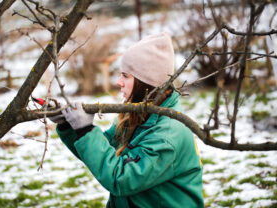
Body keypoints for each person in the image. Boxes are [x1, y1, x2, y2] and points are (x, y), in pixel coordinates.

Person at [50, 32, 204, 208]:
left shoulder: (167, 136)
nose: (118, 82)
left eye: (125, 76)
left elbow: (121, 179)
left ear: (146, 82)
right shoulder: (136, 114)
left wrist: (85, 131)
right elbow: (102, 152)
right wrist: (69, 125)